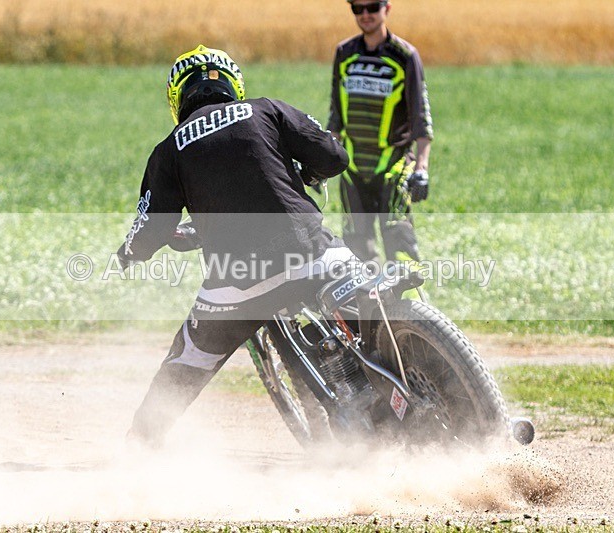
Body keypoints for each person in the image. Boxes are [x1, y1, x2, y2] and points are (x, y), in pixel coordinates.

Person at [116, 45, 353, 447]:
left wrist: (128, 253)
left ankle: (138, 446)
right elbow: (334, 156)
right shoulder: (267, 110)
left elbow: (152, 229)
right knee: (376, 306)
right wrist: (306, 172)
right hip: (317, 253)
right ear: (234, 85)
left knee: (186, 360)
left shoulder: (170, 148)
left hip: (239, 284)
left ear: (177, 97)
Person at [328, 0, 434, 263]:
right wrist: (321, 160)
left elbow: (420, 116)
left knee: (402, 252)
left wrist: (421, 168)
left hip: (393, 167)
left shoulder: (405, 55)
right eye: (358, 8)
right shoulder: (344, 53)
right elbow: (336, 118)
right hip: (352, 170)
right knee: (357, 256)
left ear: (387, 9)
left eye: (372, 7)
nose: (365, 14)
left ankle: (406, 292)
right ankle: (368, 291)